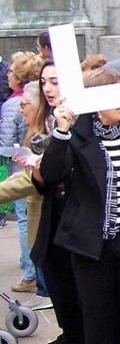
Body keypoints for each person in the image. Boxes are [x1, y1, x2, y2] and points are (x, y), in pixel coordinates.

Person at [41, 68, 120, 343]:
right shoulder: (75, 135)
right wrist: (61, 131)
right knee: (101, 325)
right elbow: (50, 175)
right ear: (93, 102)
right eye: (111, 96)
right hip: (91, 245)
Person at [29, 61, 86, 342]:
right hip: (54, 224)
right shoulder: (43, 120)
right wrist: (38, 175)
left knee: (82, 305)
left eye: (54, 81)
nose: (48, 88)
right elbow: (46, 183)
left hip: (81, 226)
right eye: (43, 82)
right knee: (63, 299)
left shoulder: (85, 121)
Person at [2, 51, 42, 294]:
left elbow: (5, 141)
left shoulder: (11, 105)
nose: (21, 111)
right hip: (25, 171)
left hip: (24, 173)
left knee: (26, 224)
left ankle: (32, 274)